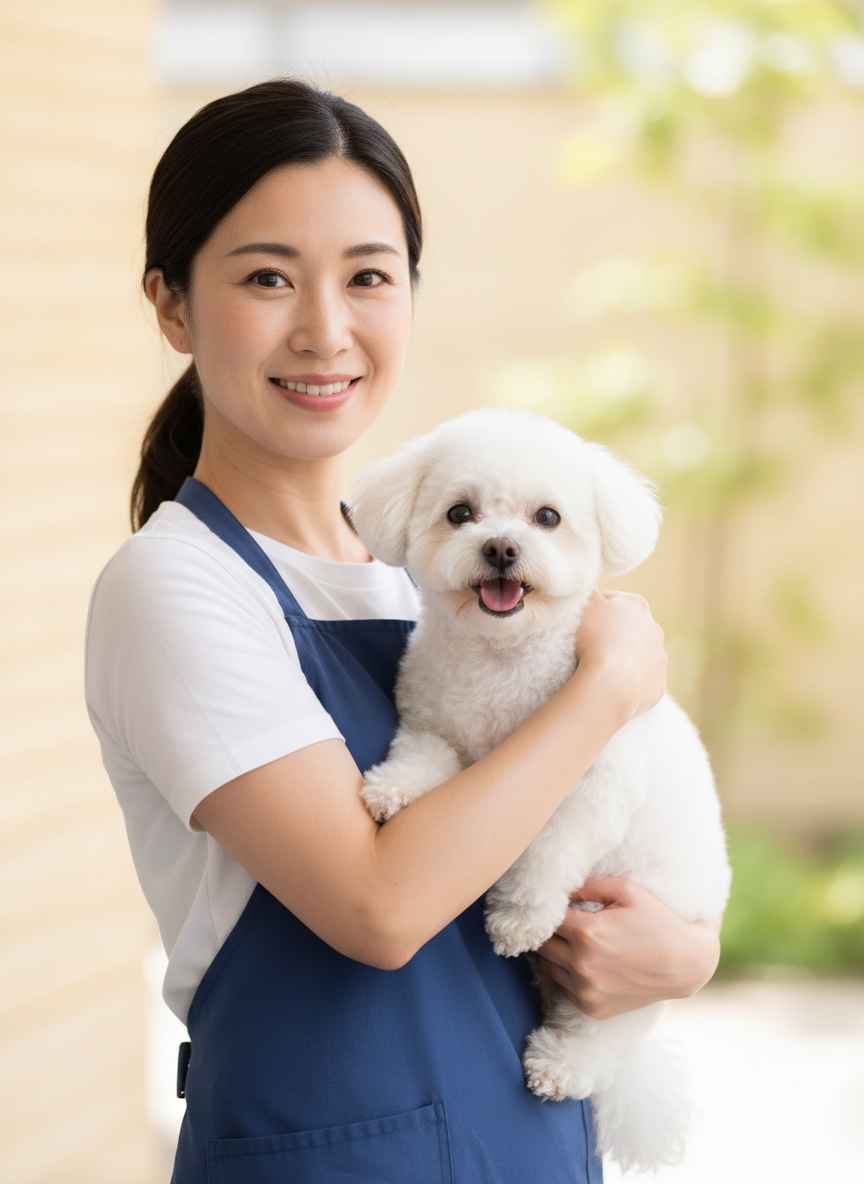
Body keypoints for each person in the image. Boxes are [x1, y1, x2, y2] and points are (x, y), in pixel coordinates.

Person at [85, 79, 720, 1184]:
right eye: (268, 276)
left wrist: (681, 954)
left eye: (368, 276)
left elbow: (596, 840)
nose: (325, 328)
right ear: (173, 306)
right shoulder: (175, 587)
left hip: (520, 1142)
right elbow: (378, 905)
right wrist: (603, 691)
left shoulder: (419, 569)